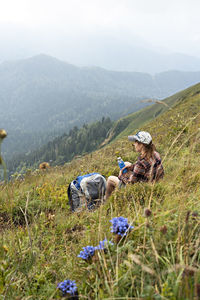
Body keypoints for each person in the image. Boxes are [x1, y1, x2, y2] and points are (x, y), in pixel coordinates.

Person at [105, 131, 164, 199]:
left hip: (141, 191)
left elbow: (130, 184)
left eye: (135, 142)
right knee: (127, 171)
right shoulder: (155, 154)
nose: (134, 144)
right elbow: (144, 169)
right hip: (153, 186)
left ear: (141, 144)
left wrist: (121, 175)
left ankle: (106, 202)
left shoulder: (141, 162)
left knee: (110, 179)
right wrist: (131, 166)